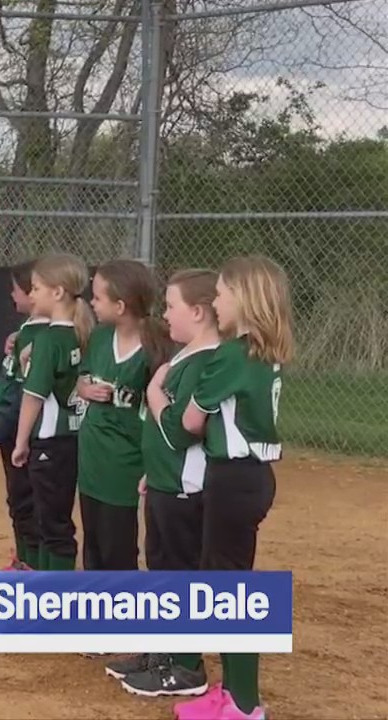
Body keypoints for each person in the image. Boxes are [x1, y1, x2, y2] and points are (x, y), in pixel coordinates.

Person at [173, 256, 294, 720]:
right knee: (225, 583)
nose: (216, 301)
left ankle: (243, 705)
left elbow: (190, 421)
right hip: (251, 477)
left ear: (245, 298)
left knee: (228, 592)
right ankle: (233, 693)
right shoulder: (263, 351)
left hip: (233, 477)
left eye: (221, 293)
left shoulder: (233, 352)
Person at [110, 269, 221, 697]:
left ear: (197, 311)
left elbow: (180, 431)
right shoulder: (185, 355)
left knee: (178, 572)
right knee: (161, 567)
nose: (165, 314)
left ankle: (187, 667)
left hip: (184, 486)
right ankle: (163, 652)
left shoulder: (204, 362)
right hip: (164, 480)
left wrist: (155, 390)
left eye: (172, 306)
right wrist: (151, 471)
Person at [77, 259, 171, 572]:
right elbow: (83, 376)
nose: (91, 302)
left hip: (127, 458)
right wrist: (85, 389)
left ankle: (121, 613)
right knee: (93, 544)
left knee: (117, 544)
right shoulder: (102, 337)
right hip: (92, 453)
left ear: (121, 305)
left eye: (98, 297)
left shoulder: (156, 347)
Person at [12, 252, 94, 571]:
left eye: (36, 288)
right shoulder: (82, 332)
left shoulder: (48, 339)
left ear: (57, 292)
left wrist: (20, 443)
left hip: (49, 441)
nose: (31, 295)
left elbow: (33, 396)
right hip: (74, 438)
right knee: (56, 521)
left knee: (52, 526)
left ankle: (50, 599)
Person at [0, 259, 46, 570]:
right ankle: (23, 561)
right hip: (17, 427)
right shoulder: (26, 332)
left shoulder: (39, 335)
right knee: (18, 502)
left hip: (24, 430)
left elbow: (26, 393)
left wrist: (0, 431)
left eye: (17, 290)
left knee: (26, 502)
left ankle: (30, 565)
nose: (12, 295)